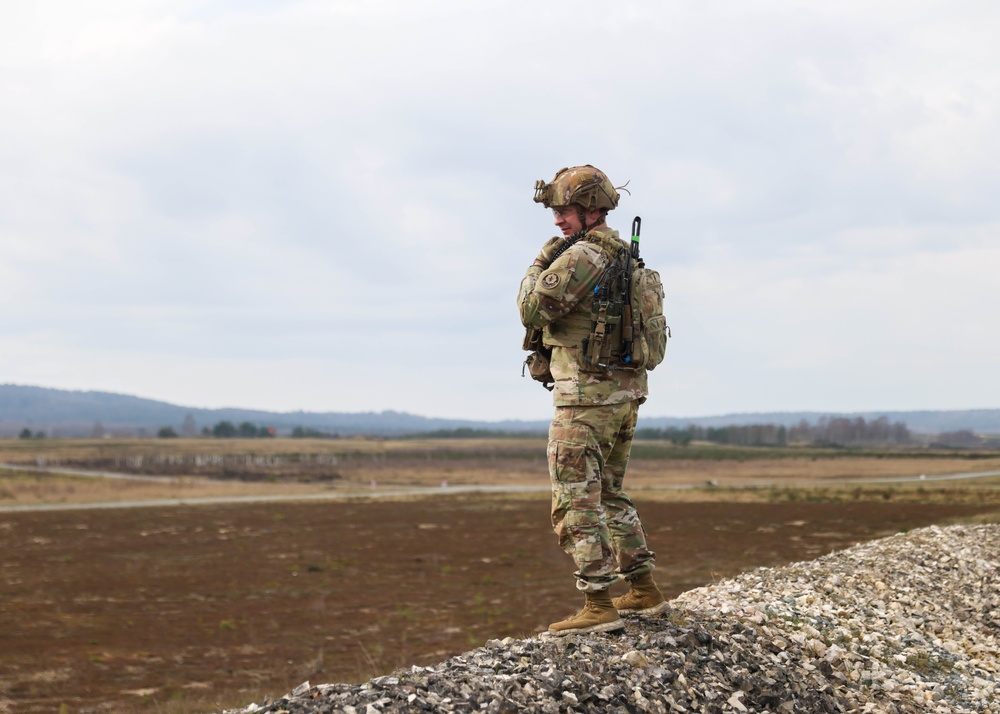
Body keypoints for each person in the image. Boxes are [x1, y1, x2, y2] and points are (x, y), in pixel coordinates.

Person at [517, 165, 667, 636]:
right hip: (623, 392)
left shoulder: (581, 256)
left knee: (573, 496)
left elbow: (532, 306)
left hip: (585, 398)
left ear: (590, 210)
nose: (558, 221)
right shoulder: (624, 254)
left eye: (564, 211)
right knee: (609, 493)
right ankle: (643, 589)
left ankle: (598, 602)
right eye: (557, 212)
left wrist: (541, 261)